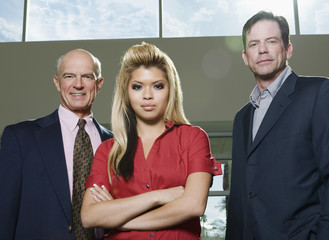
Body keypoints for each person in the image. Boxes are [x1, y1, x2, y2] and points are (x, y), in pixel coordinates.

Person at [226, 10, 329, 240]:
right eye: (254, 44)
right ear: (245, 57)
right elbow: (240, 198)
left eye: (271, 41)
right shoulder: (242, 118)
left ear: (288, 49)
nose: (262, 50)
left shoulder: (322, 93)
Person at [80, 42, 222, 239]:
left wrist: (119, 219)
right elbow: (89, 216)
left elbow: (193, 205)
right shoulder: (107, 150)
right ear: (126, 93)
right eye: (137, 87)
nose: (147, 95)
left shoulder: (194, 138)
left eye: (158, 86)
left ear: (170, 90)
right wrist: (158, 197)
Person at [0, 49, 113, 240]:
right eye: (69, 76)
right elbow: (4, 213)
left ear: (99, 84)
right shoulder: (21, 138)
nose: (78, 84)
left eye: (87, 76)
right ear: (57, 82)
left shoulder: (117, 145)